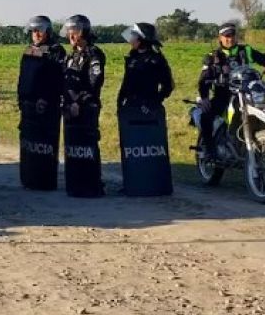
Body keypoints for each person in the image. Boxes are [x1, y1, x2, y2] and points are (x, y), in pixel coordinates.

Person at [195, 23, 265, 160]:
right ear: (220, 38)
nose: (230, 39)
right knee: (206, 116)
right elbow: (204, 79)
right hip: (224, 94)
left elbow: (261, 58)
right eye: (226, 36)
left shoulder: (245, 50)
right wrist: (205, 97)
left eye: (232, 35)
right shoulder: (213, 56)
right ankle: (208, 149)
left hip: (246, 93)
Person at [16, 14, 66, 190]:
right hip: (28, 105)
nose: (36, 34)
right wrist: (20, 99)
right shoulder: (28, 51)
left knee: (44, 145)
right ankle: (28, 179)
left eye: (40, 30)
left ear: (48, 31)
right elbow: (23, 78)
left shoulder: (56, 50)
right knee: (29, 144)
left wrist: (45, 98)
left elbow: (57, 79)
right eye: (33, 31)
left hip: (46, 105)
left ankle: (44, 181)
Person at [61, 14, 106, 197]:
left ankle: (92, 185)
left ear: (84, 32)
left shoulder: (94, 54)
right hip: (70, 108)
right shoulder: (72, 55)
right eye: (69, 31)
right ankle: (75, 184)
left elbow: (94, 83)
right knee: (73, 149)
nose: (71, 35)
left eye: (75, 31)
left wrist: (79, 102)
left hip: (87, 107)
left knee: (87, 147)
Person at [117, 22, 173, 114]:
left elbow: (168, 86)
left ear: (142, 39)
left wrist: (154, 103)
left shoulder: (156, 60)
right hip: (130, 105)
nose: (131, 40)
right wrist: (120, 102)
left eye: (134, 36)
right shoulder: (131, 57)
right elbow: (126, 82)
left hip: (149, 108)